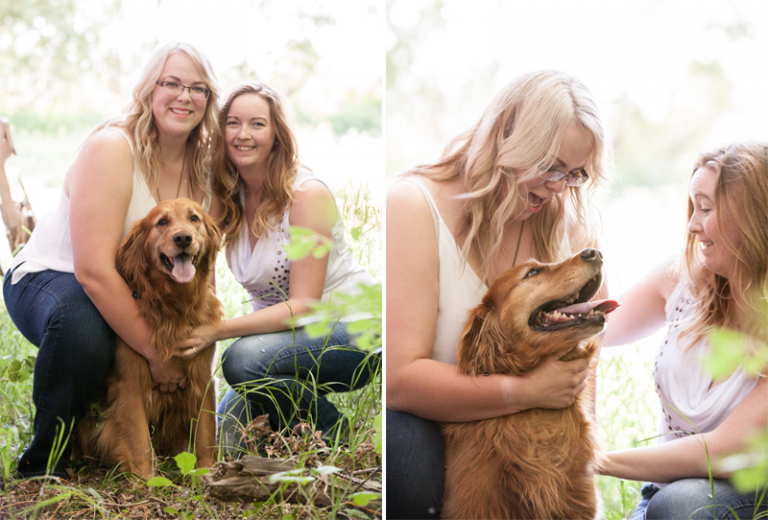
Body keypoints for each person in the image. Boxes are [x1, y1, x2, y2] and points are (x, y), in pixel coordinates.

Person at [385, 70, 612, 519]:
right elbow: (400, 380)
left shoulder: (568, 218)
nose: (558, 188)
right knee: (404, 459)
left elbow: (582, 369)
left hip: (531, 429)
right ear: (508, 139)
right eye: (549, 167)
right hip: (429, 418)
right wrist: (523, 392)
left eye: (574, 173)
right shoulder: (413, 205)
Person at [2, 41, 222, 479]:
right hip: (54, 277)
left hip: (136, 286)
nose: (185, 96)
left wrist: (197, 338)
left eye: (198, 88)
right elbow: (93, 272)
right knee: (86, 327)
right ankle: (45, 462)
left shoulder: (205, 163)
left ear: (209, 100)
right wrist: (156, 355)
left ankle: (117, 441)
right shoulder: (113, 147)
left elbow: (202, 259)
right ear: (148, 90)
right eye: (171, 83)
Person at [174, 81, 379, 447]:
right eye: (233, 123)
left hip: (354, 329)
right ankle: (294, 424)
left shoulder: (306, 195)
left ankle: (333, 435)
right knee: (227, 442)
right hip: (282, 343)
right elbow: (199, 266)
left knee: (242, 362)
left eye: (257, 124)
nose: (243, 134)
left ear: (277, 134)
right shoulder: (227, 198)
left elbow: (303, 307)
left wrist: (217, 330)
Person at [598, 142, 768, 519]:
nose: (692, 225)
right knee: (672, 502)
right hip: (663, 493)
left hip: (753, 495)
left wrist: (591, 459)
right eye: (693, 208)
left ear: (751, 217)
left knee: (682, 504)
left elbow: (723, 453)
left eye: (705, 209)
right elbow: (597, 329)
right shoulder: (685, 277)